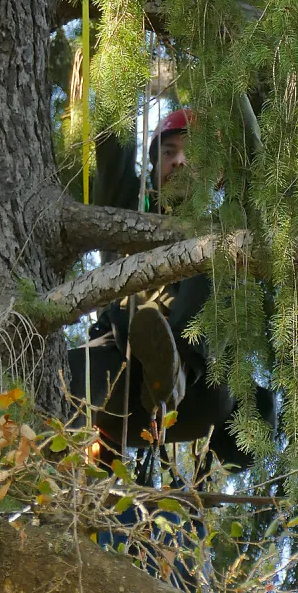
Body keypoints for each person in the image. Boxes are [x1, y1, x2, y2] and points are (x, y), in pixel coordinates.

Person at [69, 108, 275, 470]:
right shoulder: (128, 210)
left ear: (216, 176)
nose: (179, 162)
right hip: (117, 382)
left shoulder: (225, 227)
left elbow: (253, 188)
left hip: (195, 398)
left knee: (218, 248)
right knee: (49, 373)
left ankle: (176, 367)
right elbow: (114, 144)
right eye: (168, 153)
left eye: (192, 156)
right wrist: (117, 56)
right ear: (152, 167)